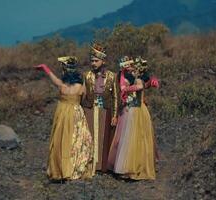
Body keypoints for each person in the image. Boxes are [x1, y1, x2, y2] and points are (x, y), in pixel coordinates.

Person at [35, 56, 93, 181]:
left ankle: (59, 168)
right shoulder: (81, 86)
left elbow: (54, 78)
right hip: (76, 112)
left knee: (60, 139)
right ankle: (74, 167)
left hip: (62, 113)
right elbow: (86, 99)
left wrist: (45, 69)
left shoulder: (61, 85)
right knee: (77, 139)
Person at [107, 56, 158, 180]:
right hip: (130, 109)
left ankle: (139, 166)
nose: (130, 68)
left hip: (139, 109)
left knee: (140, 137)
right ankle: (130, 166)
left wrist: (128, 88)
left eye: (132, 66)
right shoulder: (126, 77)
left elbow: (140, 86)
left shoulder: (138, 77)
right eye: (127, 66)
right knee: (130, 138)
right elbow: (125, 87)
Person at [81, 43, 119, 173]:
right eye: (92, 60)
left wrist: (114, 115)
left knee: (104, 137)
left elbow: (115, 97)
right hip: (91, 110)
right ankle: (90, 164)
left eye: (96, 61)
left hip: (105, 110)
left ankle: (103, 166)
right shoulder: (87, 75)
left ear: (103, 61)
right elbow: (83, 95)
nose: (93, 63)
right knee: (91, 136)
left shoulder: (112, 76)